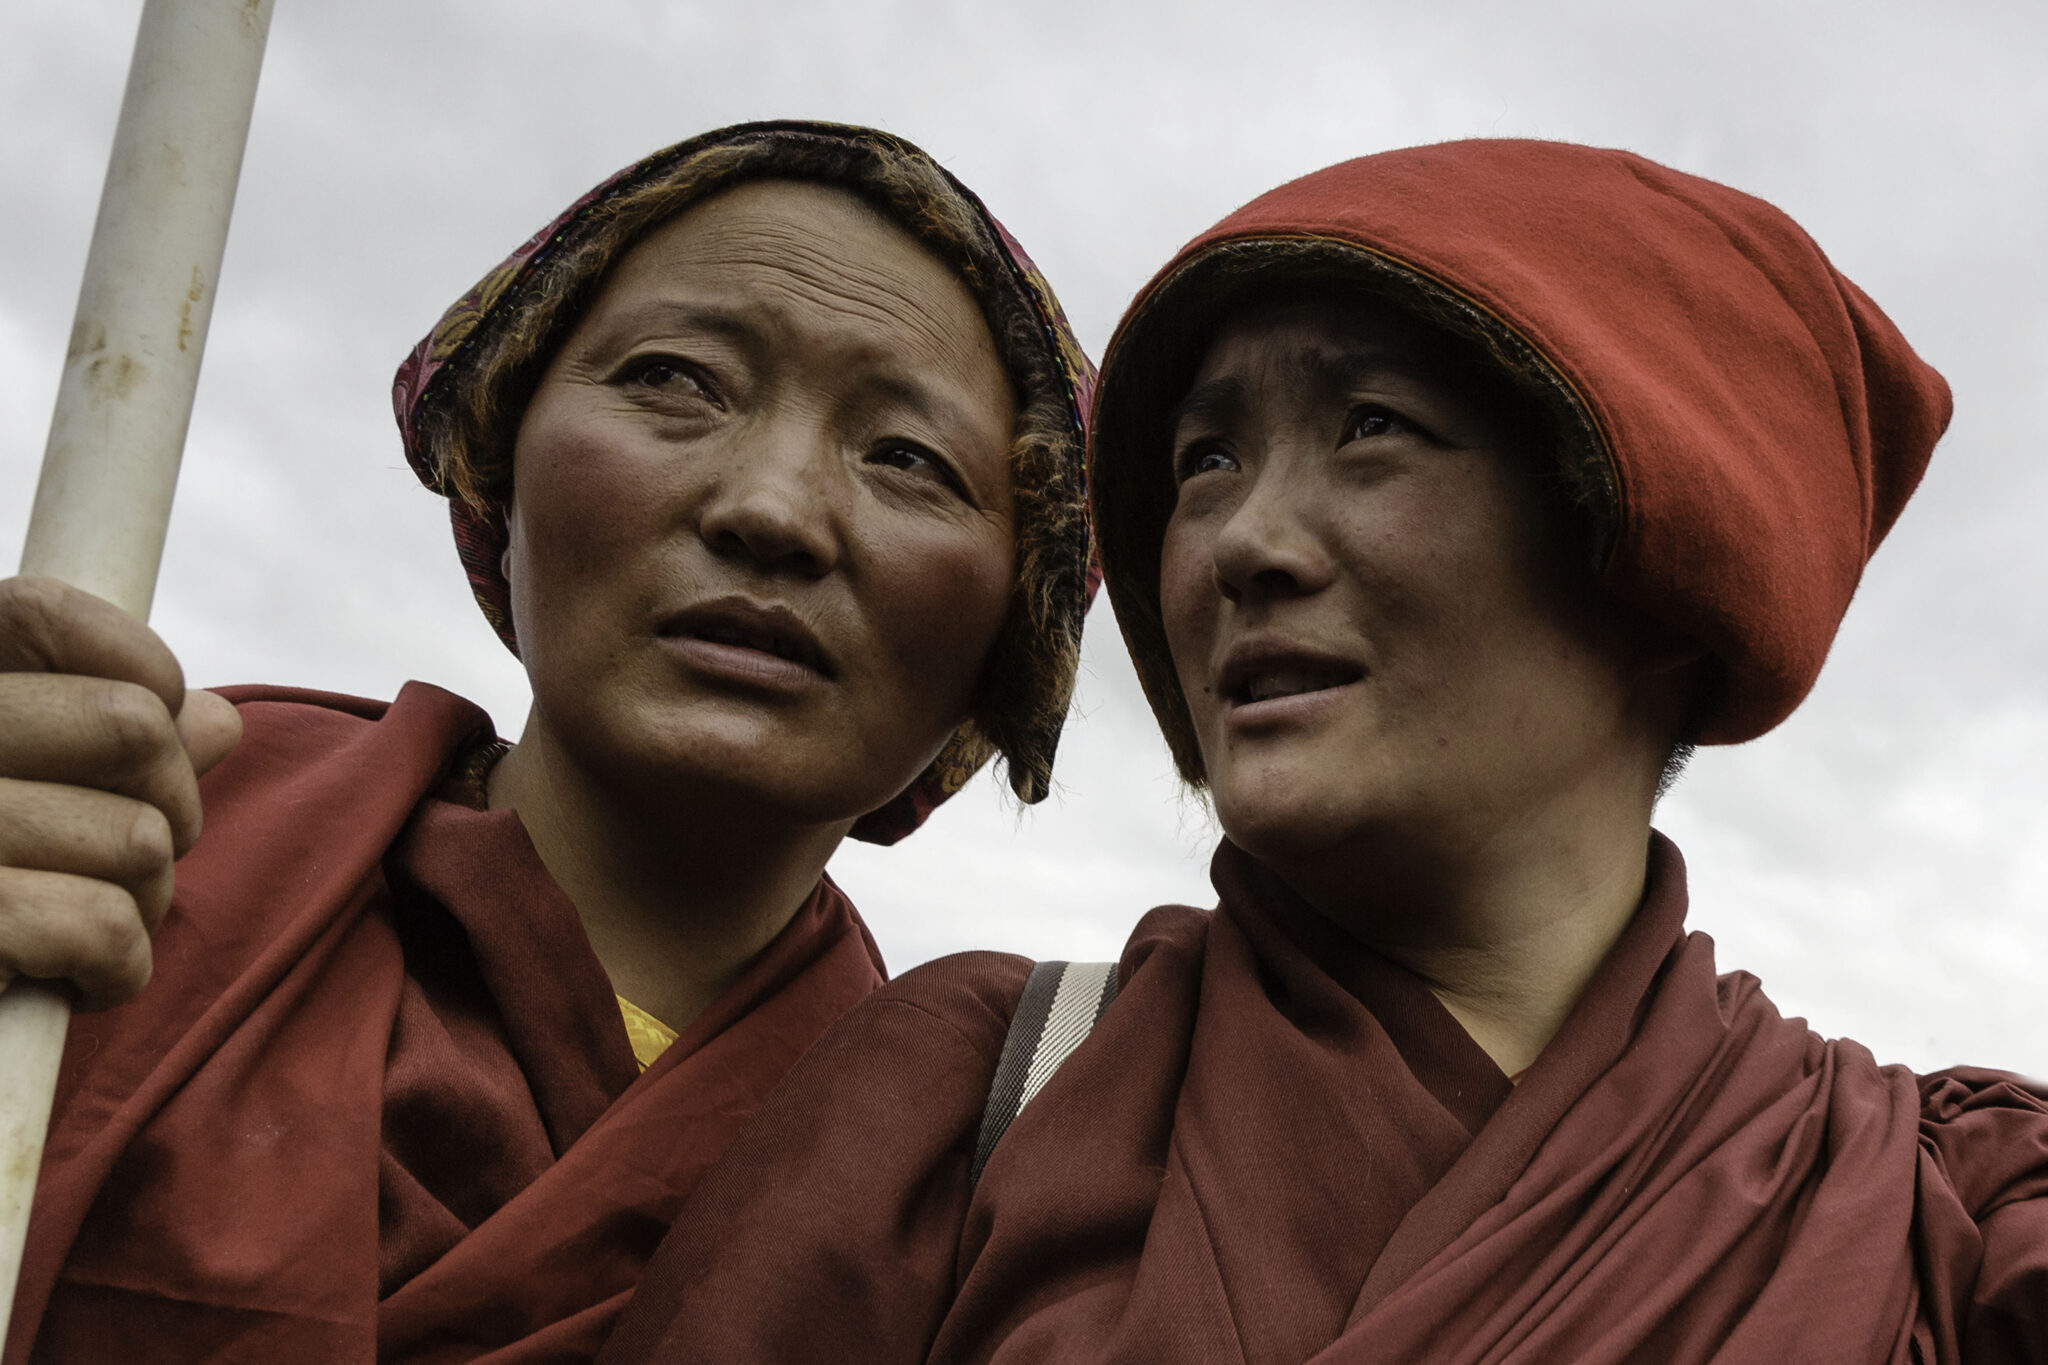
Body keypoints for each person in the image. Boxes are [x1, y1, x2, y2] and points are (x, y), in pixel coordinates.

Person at [596, 140, 2048, 1364]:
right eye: (1206, 461)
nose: (1242, 545)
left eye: (1374, 430)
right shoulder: (966, 1092)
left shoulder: (1933, 1213)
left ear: (1672, 561)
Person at [0, 119, 1095, 1362]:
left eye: (906, 458)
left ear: (1009, 642)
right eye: (676, 380)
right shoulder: (130, 838)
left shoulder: (968, 1182)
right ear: (500, 468)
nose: (771, 510)